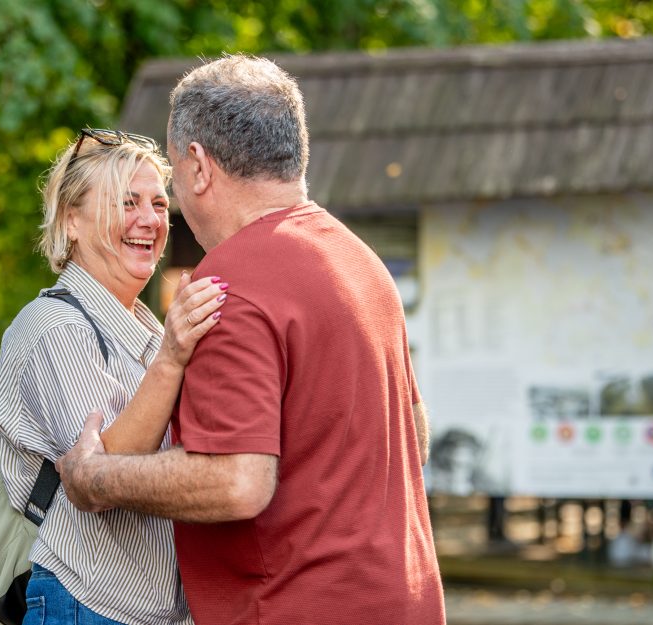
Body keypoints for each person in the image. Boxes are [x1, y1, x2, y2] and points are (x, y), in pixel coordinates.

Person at [57, 55, 446, 625]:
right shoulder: (358, 260)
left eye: (170, 171)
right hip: (403, 602)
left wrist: (95, 478)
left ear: (197, 166)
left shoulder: (229, 284)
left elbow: (239, 482)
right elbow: (414, 432)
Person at [0, 128, 228, 625]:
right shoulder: (52, 328)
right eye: (127, 202)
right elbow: (105, 475)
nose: (149, 220)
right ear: (71, 220)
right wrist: (172, 357)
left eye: (160, 204)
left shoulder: (143, 326)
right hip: (89, 605)